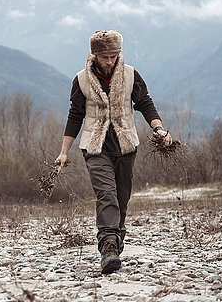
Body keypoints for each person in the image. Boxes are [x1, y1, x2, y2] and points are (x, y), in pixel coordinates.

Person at [55, 30, 173, 274]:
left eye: (113, 56)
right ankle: (108, 246)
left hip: (126, 145)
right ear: (95, 55)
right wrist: (64, 152)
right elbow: (75, 116)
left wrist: (159, 129)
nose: (109, 61)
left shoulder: (131, 75)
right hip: (95, 146)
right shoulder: (81, 80)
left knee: (121, 197)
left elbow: (145, 104)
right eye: (104, 57)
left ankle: (115, 242)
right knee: (106, 194)